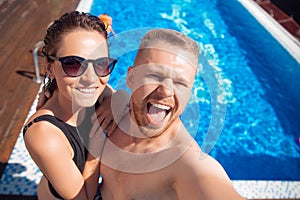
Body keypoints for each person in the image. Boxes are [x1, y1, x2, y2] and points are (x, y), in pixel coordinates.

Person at [92, 29, 245, 199]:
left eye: (180, 82)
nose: (166, 91)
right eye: (154, 75)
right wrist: (115, 97)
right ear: (131, 78)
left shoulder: (186, 162)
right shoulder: (118, 114)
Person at [23, 11, 117, 200]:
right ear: (50, 67)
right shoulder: (43, 134)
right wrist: (95, 151)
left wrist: (116, 101)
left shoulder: (93, 94)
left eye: (101, 64)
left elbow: (115, 95)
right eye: (73, 64)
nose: (91, 78)